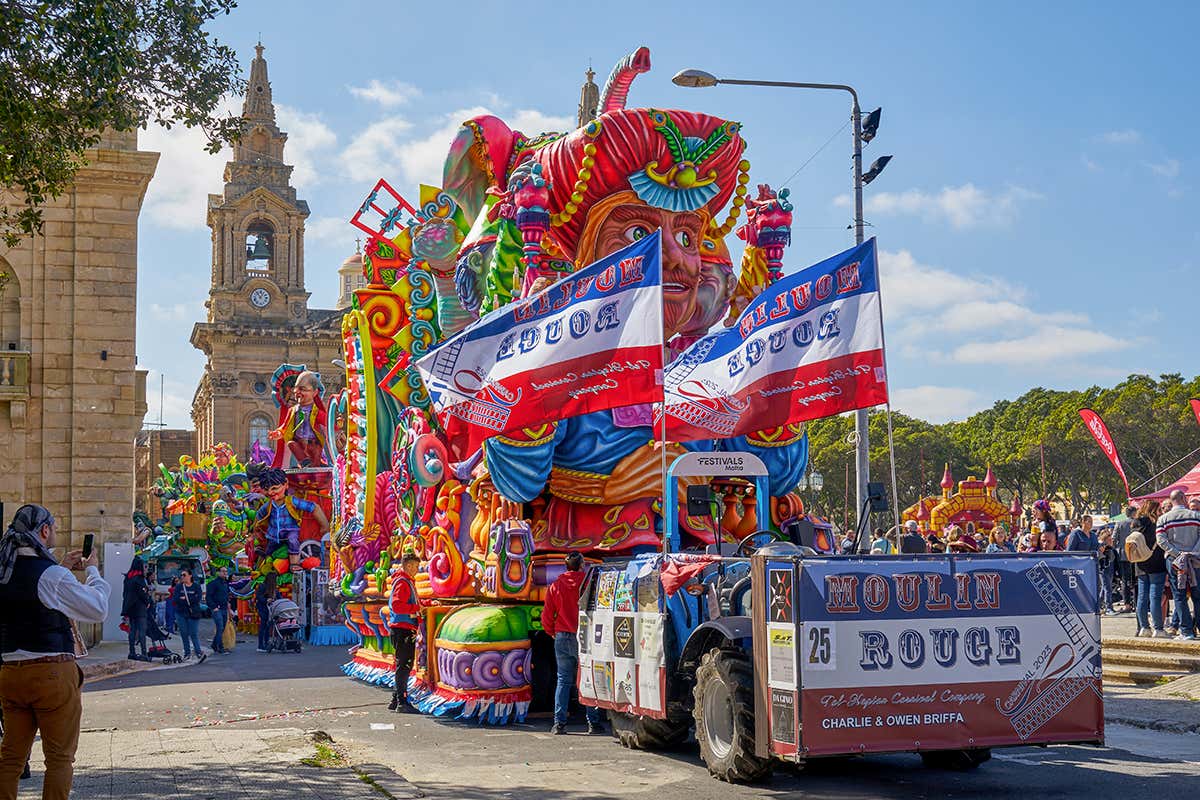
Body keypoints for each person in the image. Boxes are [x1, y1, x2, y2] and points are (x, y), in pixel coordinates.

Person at [0, 503, 109, 800]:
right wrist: (92, 571)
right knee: (59, 758)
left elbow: (30, 594)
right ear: (44, 530)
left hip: (10, 672)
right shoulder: (49, 575)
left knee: (10, 759)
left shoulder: (5, 571)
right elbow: (97, 608)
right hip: (50, 672)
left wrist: (60, 567)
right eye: (54, 529)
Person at [543, 551, 603, 735]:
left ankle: (558, 724)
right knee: (587, 680)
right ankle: (593, 723)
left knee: (563, 680)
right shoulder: (589, 583)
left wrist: (552, 632)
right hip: (585, 636)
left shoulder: (556, 586)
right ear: (581, 565)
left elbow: (547, 615)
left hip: (561, 636)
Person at [251, 468, 329, 572]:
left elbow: (313, 507)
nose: (270, 492)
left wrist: (325, 526)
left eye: (274, 488)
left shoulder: (291, 501)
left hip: (290, 531)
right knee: (269, 549)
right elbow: (259, 516)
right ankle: (265, 565)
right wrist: (255, 530)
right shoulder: (268, 505)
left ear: (286, 484)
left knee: (293, 541)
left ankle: (294, 564)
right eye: (267, 489)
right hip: (274, 534)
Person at [1155, 489, 1200, 640]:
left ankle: (1186, 631)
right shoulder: (1196, 516)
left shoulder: (1163, 519)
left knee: (1179, 596)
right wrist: (1192, 552)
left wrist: (1177, 553)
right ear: (1182, 498)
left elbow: (1161, 541)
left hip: (1174, 561)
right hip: (1195, 560)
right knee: (1197, 595)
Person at [386, 553, 421, 712]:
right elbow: (397, 605)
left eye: (416, 567)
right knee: (404, 665)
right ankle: (402, 702)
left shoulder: (406, 582)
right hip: (403, 628)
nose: (415, 569)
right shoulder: (403, 583)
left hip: (402, 628)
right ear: (406, 566)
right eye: (413, 566)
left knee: (402, 664)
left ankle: (395, 699)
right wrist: (416, 609)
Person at [1133, 500, 1169, 638]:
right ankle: (1158, 629)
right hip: (1156, 563)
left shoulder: (1135, 523)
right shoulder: (1156, 524)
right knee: (1155, 597)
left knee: (1142, 597)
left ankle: (1144, 627)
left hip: (1140, 563)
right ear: (1154, 510)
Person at [121, 556, 152, 661]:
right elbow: (143, 594)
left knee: (132, 630)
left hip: (129, 608)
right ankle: (144, 653)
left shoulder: (128, 578)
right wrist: (148, 602)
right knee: (142, 630)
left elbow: (124, 593)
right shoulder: (139, 579)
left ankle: (132, 652)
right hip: (140, 608)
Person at [172, 569, 206, 663]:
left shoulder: (196, 586)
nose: (182, 577)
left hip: (193, 613)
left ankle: (198, 652)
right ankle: (187, 653)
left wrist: (185, 599)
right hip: (181, 613)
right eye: (181, 575)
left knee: (193, 633)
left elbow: (197, 598)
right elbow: (175, 599)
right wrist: (188, 599)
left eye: (184, 575)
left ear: (190, 576)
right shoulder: (179, 587)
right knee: (184, 634)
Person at [1113, 505, 1136, 613]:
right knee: (1136, 580)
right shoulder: (1137, 523)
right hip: (1136, 555)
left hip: (1123, 555)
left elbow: (1114, 539)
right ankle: (1137, 603)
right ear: (1134, 513)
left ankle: (1127, 604)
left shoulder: (1119, 523)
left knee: (1125, 581)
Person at [205, 566, 231, 655]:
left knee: (222, 628)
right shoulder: (213, 583)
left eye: (226, 571)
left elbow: (226, 596)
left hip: (224, 608)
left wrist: (228, 606)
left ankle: (214, 644)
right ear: (218, 572)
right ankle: (220, 647)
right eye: (223, 571)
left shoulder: (225, 583)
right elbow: (208, 597)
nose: (225, 573)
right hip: (217, 609)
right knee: (219, 627)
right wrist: (214, 607)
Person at [255, 573, 277, 653]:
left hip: (270, 609)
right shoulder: (262, 586)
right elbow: (258, 596)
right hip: (262, 608)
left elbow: (278, 596)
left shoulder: (274, 588)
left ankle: (266, 642)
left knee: (267, 625)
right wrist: (266, 600)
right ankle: (261, 645)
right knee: (263, 625)